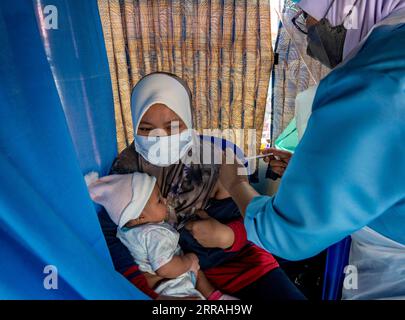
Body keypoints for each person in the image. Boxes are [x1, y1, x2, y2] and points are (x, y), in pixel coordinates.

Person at [219, 0, 405, 300]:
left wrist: (235, 183)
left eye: (308, 18)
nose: (309, 38)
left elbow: (288, 235)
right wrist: (320, 173)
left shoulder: (375, 81)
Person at [98, 72, 306, 300]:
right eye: (146, 128)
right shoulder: (127, 170)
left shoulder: (216, 161)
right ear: (134, 124)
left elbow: (257, 221)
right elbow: (110, 234)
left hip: (242, 266)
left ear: (188, 121)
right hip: (171, 281)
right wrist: (150, 293)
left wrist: (227, 236)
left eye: (173, 126)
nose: (160, 137)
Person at [87, 172, 237, 300]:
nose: (164, 200)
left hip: (164, 283)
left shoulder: (125, 231)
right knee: (196, 276)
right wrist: (188, 260)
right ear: (140, 217)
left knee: (197, 274)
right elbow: (165, 268)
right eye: (159, 200)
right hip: (171, 286)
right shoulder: (154, 234)